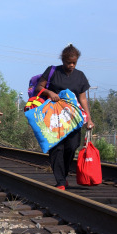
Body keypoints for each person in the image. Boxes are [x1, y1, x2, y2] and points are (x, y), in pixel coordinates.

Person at [35, 44, 94, 190]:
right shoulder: (52, 71)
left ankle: (64, 174)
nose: (72, 65)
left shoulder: (80, 76)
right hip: (53, 117)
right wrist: (49, 93)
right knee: (57, 148)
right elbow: (38, 88)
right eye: (69, 62)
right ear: (63, 60)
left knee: (72, 146)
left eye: (74, 62)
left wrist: (89, 119)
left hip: (73, 118)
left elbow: (83, 99)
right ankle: (60, 181)